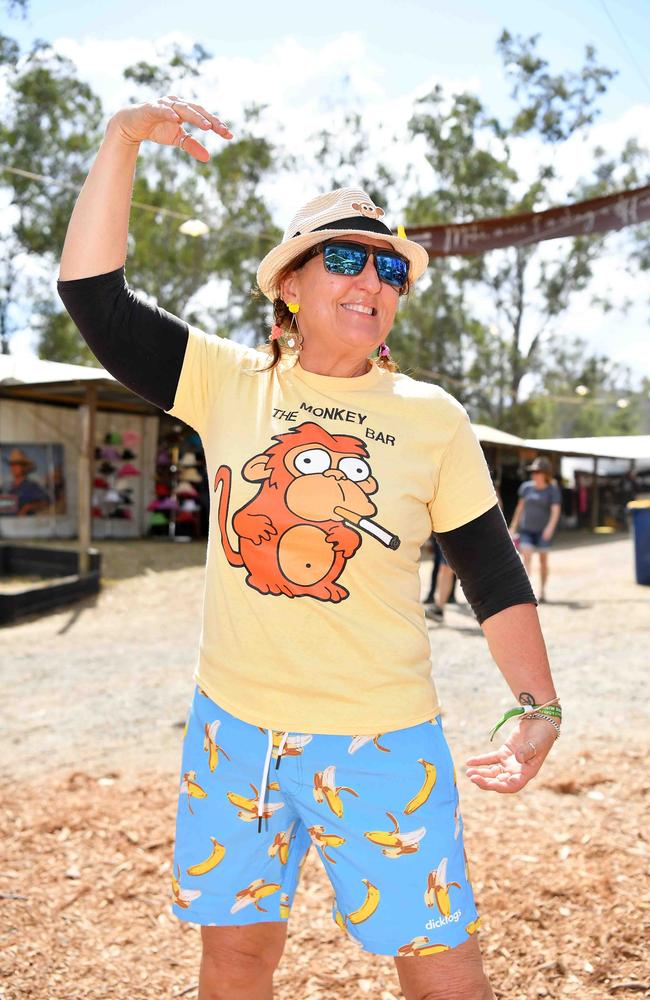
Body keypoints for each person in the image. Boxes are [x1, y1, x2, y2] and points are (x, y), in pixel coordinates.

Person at [57, 95, 562, 1000]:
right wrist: (121, 140)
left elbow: (491, 572)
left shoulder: (432, 418)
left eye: (389, 270)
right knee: (239, 958)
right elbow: (94, 297)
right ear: (291, 281)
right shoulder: (225, 382)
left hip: (383, 740)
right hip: (234, 735)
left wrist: (540, 708)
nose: (370, 281)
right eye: (344, 257)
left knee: (440, 962)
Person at [509, 457, 562, 603]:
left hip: (543, 531)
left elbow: (555, 511)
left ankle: (543, 590)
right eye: (533, 471)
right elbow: (520, 508)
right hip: (527, 530)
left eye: (538, 471)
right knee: (527, 558)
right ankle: (527, 592)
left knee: (543, 561)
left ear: (545, 473)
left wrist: (550, 528)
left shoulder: (552, 490)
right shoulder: (526, 488)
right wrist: (514, 525)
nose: (535, 474)